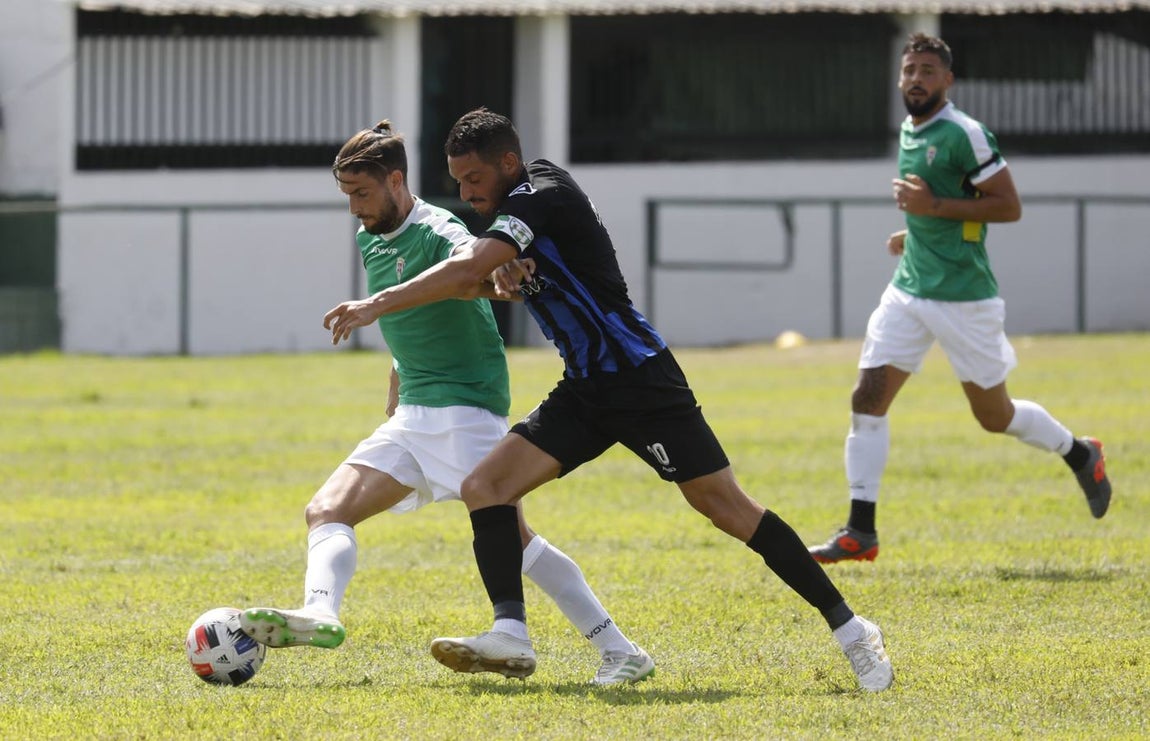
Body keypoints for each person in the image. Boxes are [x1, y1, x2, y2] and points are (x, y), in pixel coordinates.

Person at [323, 108, 894, 692]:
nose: (466, 194)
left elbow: (470, 264)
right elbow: (485, 276)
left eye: (473, 179)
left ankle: (853, 629)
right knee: (486, 487)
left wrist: (375, 304)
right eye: (458, 182)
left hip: (642, 380)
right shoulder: (510, 218)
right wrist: (496, 282)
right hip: (586, 389)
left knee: (727, 508)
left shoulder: (542, 191)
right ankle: (511, 633)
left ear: (508, 163)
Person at [239, 120, 656, 686]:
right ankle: (320, 611)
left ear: (396, 180)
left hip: (465, 406)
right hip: (415, 411)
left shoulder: (439, 228)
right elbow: (418, 310)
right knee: (327, 510)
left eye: (362, 193)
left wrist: (502, 272)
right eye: (347, 195)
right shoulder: (369, 237)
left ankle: (619, 649)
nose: (355, 207)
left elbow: (472, 270)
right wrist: (398, 370)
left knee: (518, 542)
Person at [808, 33, 1112, 564]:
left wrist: (932, 209)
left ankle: (1080, 452)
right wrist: (916, 232)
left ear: (948, 80)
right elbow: (938, 203)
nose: (916, 79)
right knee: (867, 398)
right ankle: (860, 531)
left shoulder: (965, 134)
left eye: (928, 71)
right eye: (909, 70)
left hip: (964, 298)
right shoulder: (910, 128)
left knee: (995, 416)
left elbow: (1008, 206)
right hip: (909, 289)